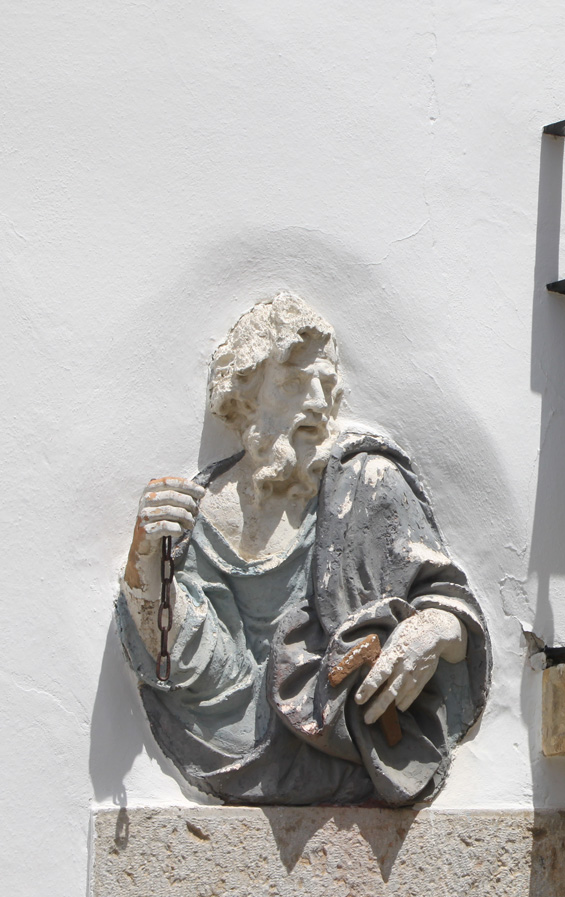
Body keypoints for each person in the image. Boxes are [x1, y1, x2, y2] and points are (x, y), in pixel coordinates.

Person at [115, 292, 488, 805]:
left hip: (358, 738)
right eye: (293, 383)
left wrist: (433, 629)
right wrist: (145, 559)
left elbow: (449, 602)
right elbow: (182, 659)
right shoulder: (197, 517)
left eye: (325, 385)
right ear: (245, 395)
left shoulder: (368, 485)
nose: (316, 403)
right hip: (230, 744)